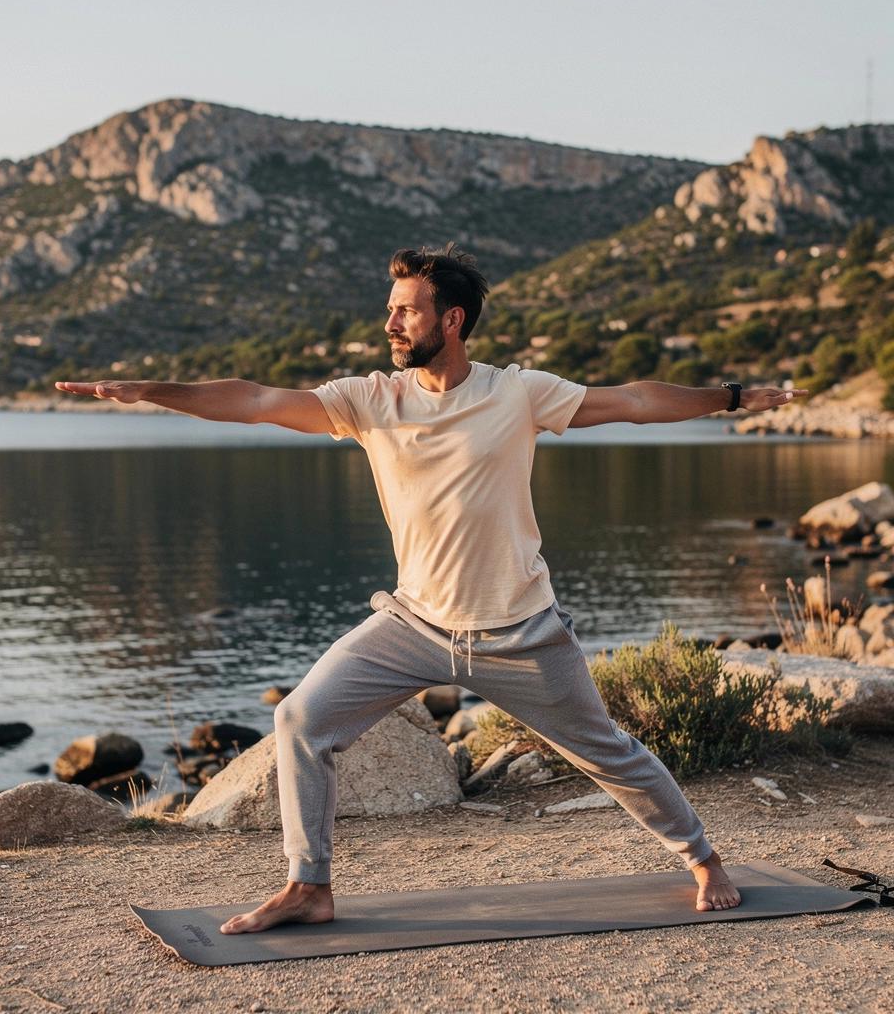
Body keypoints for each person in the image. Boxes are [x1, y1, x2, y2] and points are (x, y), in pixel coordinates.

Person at [56, 243, 808, 933]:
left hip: (521, 630)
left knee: (608, 753)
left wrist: (733, 398)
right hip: (414, 625)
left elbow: (637, 401)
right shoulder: (370, 400)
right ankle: (308, 886)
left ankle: (704, 859)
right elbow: (253, 399)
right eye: (390, 308)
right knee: (300, 721)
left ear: (450, 319)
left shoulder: (519, 394)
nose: (389, 321)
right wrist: (149, 390)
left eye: (404, 309)